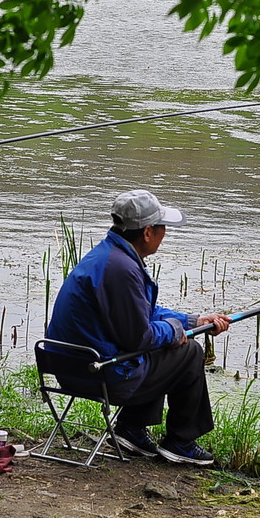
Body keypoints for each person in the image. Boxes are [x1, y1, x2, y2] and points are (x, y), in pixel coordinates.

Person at [47, 189, 230, 465]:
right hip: (96, 376)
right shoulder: (121, 269)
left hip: (71, 367)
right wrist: (175, 332)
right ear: (147, 232)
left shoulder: (108, 256)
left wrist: (193, 321)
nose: (164, 233)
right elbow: (140, 338)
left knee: (163, 344)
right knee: (189, 352)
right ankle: (181, 442)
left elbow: (141, 314)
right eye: (162, 227)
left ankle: (131, 430)